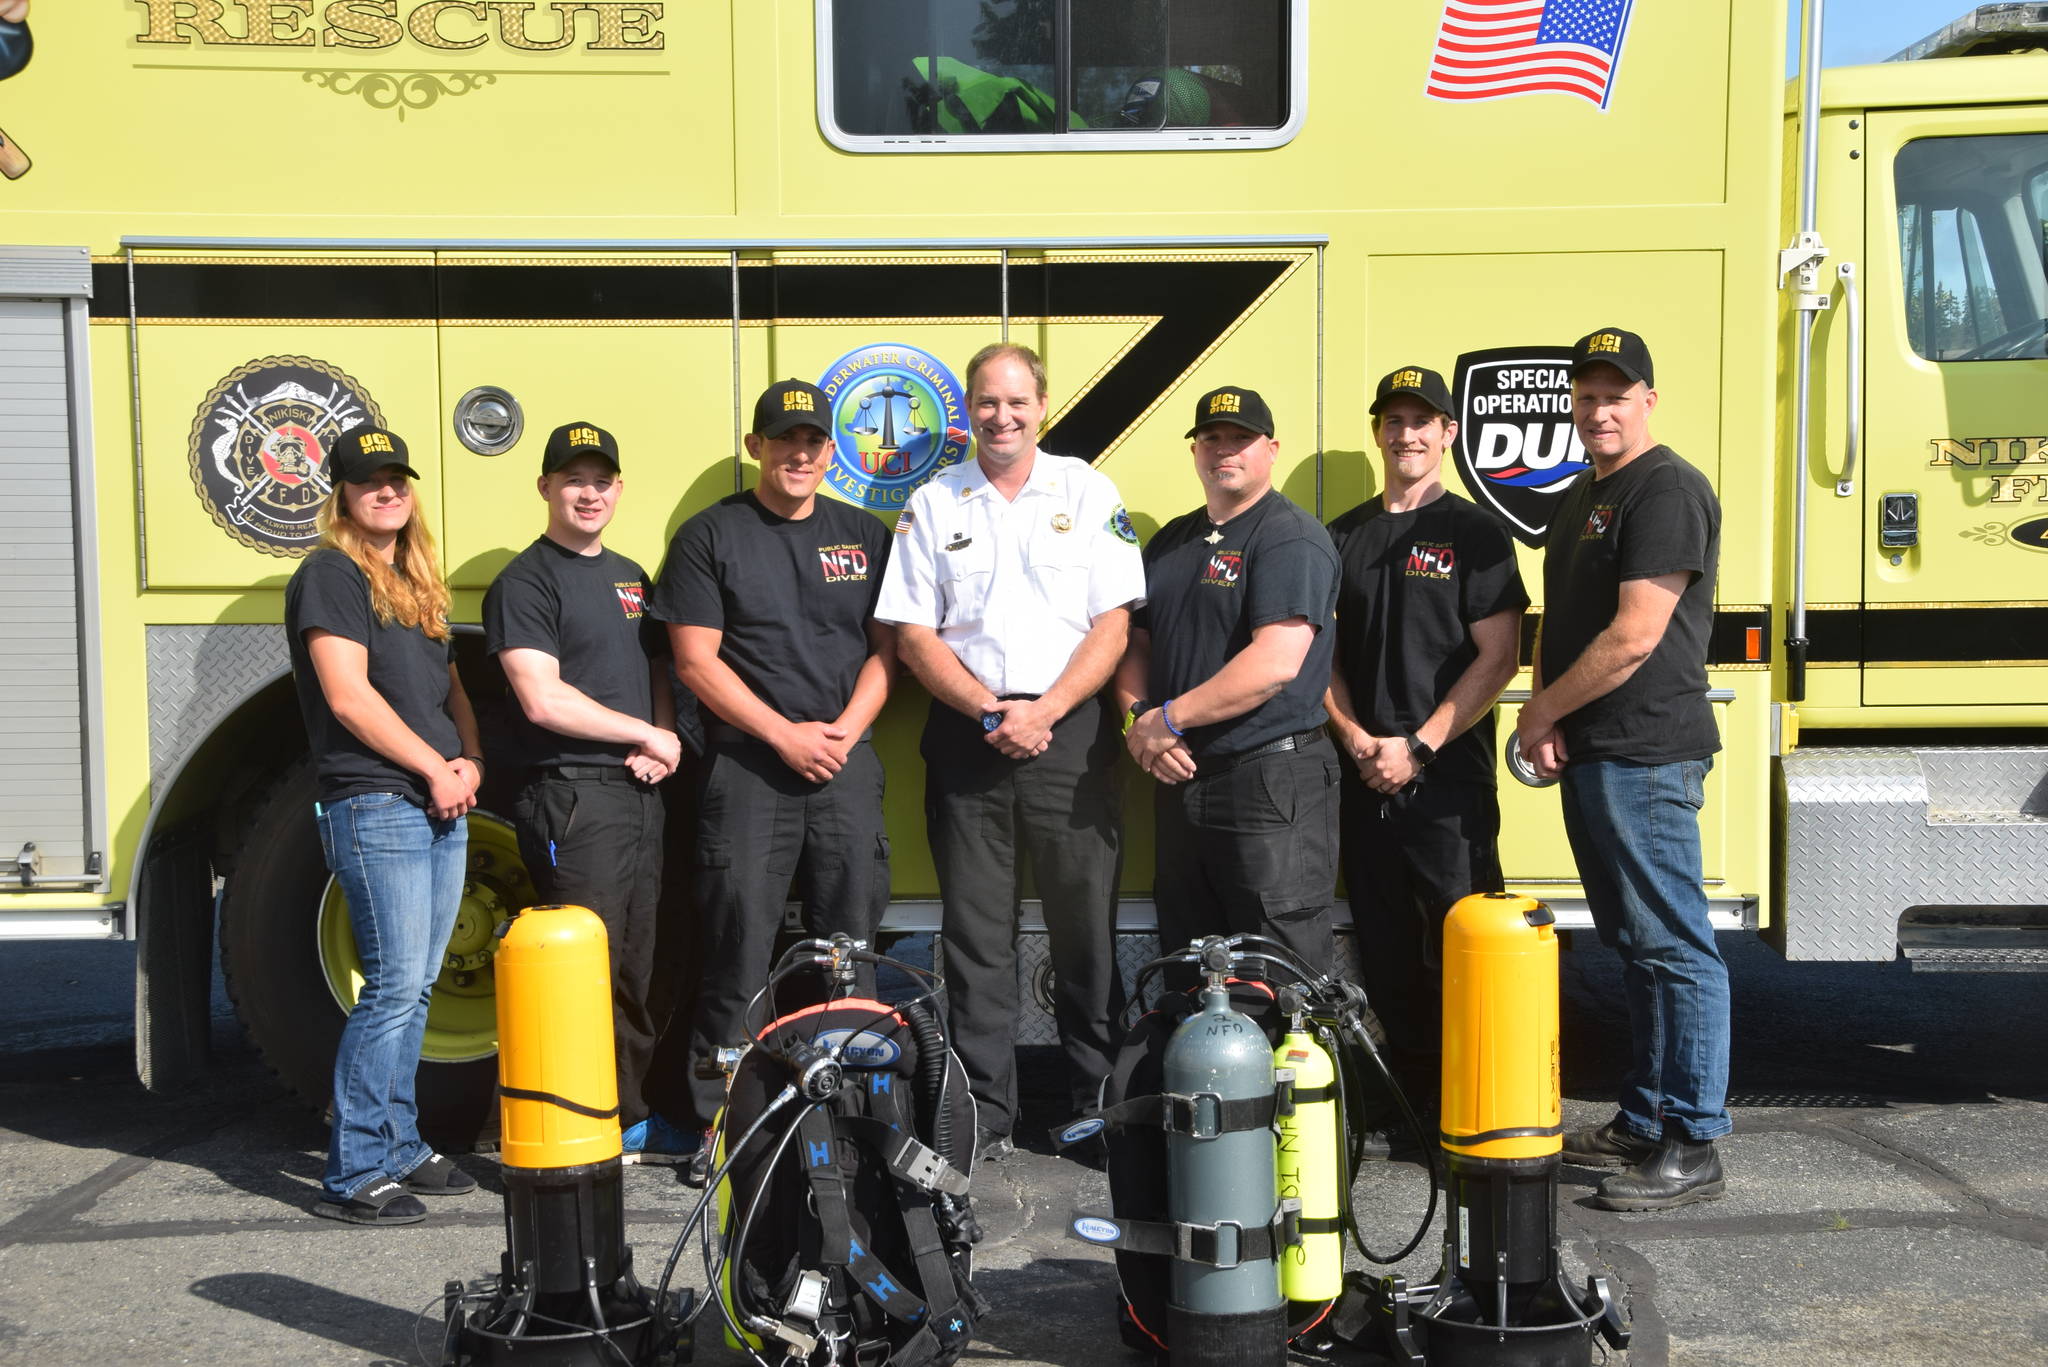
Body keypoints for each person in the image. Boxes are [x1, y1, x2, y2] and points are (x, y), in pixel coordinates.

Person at [875, 343, 1144, 1160]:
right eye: (987, 402)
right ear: (968, 410)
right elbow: (913, 633)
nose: (1002, 416)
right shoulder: (934, 500)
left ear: (1043, 405)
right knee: (976, 934)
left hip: (1071, 734)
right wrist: (992, 710)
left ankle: (1098, 1106)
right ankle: (986, 1113)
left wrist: (1049, 709)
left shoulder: (1088, 491)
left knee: (1084, 931)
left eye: (1017, 401)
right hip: (969, 734)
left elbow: (1114, 623)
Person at [652, 380, 897, 1184]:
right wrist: (783, 735)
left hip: (843, 760)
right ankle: (722, 1125)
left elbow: (886, 653)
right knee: (738, 946)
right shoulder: (709, 536)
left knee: (848, 948)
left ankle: (848, 1115)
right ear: (757, 445)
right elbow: (694, 660)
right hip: (752, 766)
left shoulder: (864, 535)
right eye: (784, 439)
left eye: (814, 441)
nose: (800, 453)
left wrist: (845, 732)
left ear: (833, 451)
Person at [1516, 328, 1729, 1211]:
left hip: (1646, 748)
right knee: (1637, 942)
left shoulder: (1666, 488)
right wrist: (1550, 708)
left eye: (1617, 393)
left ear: (1648, 399)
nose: (1599, 409)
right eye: (1587, 393)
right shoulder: (1584, 495)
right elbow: (1562, 621)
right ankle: (1643, 1117)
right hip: (1599, 749)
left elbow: (1637, 633)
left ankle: (1693, 1137)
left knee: (1675, 947)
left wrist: (1542, 710)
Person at [285, 427, 482, 1226]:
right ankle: (356, 1165)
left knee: (419, 986)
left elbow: (450, 688)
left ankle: (401, 1142)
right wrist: (435, 770)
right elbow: (348, 698)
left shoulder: (414, 578)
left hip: (436, 799)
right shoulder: (329, 574)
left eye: (397, 478)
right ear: (343, 495)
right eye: (369, 482)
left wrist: (468, 759)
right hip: (376, 802)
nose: (387, 491)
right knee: (394, 988)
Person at [1325, 367, 1527, 1141]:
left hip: (1447, 783)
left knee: (1463, 944)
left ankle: (1472, 1104)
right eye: (1393, 419)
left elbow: (1500, 655)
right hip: (1364, 776)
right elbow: (1323, 658)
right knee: (1385, 949)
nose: (1406, 433)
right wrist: (1355, 739)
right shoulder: (1343, 534)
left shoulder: (1474, 532)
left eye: (1422, 420)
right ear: (1377, 431)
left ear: (1447, 433)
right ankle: (1409, 1098)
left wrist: (1419, 743)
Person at [483, 421, 685, 1164]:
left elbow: (661, 673)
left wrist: (660, 742)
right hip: (571, 794)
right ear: (545, 488)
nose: (589, 493)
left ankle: (626, 1119)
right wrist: (644, 734)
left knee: (637, 964)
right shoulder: (524, 581)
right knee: (579, 967)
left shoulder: (633, 574)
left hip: (638, 793)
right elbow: (541, 698)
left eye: (601, 480)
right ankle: (577, 1123)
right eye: (574, 480)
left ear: (619, 490)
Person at [1114, 385, 1340, 975]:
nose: (1224, 450)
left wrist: (1166, 720)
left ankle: (1292, 1072)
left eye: (1241, 438)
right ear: (1194, 451)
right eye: (1210, 438)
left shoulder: (1289, 537)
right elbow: (1134, 643)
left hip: (1270, 782)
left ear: (1272, 449)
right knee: (1193, 961)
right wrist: (1140, 720)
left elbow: (1275, 664)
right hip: (1184, 777)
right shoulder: (1173, 541)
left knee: (1278, 965)